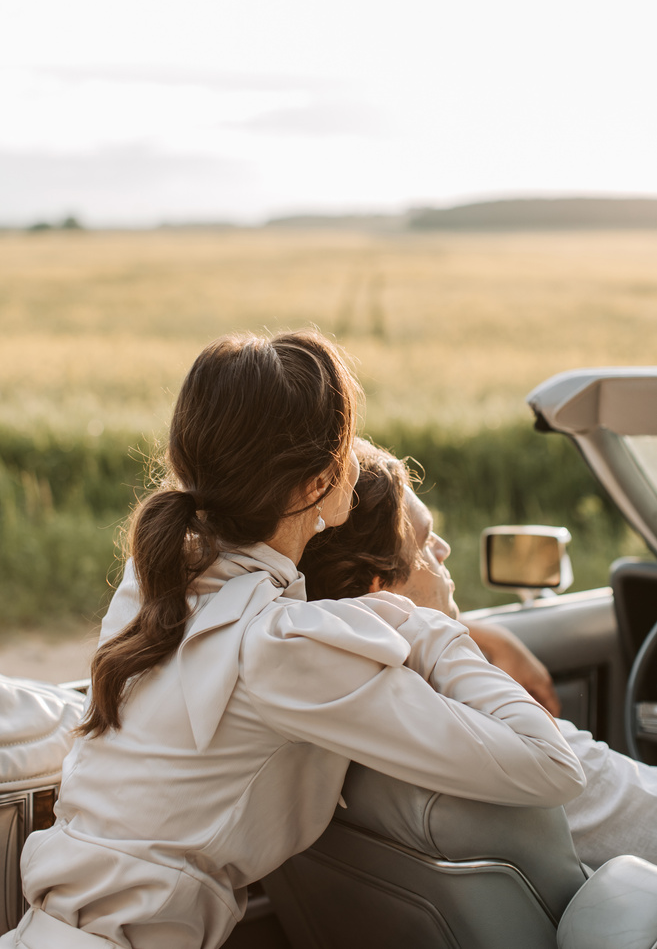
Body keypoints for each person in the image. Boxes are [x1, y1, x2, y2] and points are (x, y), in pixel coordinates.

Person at [1, 332, 584, 949]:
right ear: (316, 485)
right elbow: (551, 766)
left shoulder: (153, 586)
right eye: (349, 443)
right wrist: (427, 626)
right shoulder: (284, 649)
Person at [300, 438, 657, 869]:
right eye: (425, 539)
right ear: (380, 589)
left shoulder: (312, 700)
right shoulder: (515, 742)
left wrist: (482, 635)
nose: (444, 549)